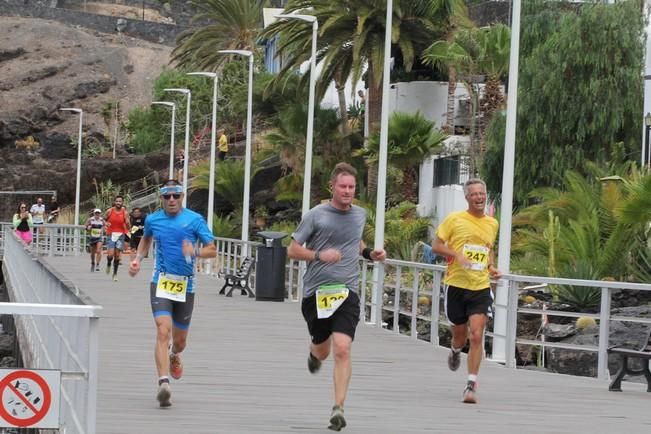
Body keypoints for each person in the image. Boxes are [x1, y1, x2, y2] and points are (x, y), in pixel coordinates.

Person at [287, 162, 386, 431]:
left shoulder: (360, 215)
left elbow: (354, 240)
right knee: (323, 349)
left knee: (342, 348)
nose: (347, 191)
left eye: (351, 187)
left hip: (347, 291)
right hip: (316, 293)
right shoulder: (316, 215)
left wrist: (369, 255)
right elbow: (293, 250)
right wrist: (320, 255)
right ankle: (313, 353)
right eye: (342, 186)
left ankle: (338, 408)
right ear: (333, 187)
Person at [128, 179, 216, 408]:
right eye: (167, 196)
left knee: (179, 341)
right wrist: (138, 260)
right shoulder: (153, 219)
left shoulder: (194, 220)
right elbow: (146, 239)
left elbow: (212, 249)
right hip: (162, 282)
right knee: (162, 329)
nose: (171, 200)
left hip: (186, 286)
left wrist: (194, 251)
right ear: (161, 199)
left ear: (182, 197)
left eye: (176, 195)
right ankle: (163, 384)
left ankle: (175, 354)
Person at [431, 178, 502, 404]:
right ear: (467, 197)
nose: (479, 198)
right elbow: (436, 245)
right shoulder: (455, 219)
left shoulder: (492, 223)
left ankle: (471, 384)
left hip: (480, 287)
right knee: (460, 337)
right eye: (474, 194)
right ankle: (454, 350)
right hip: (456, 285)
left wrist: (491, 267)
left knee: (477, 334)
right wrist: (456, 255)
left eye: (482, 193)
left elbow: (488, 249)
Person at [104, 196, 130, 282]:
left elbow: (128, 224)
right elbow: (104, 220)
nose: (118, 203)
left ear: (122, 202)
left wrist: (128, 224)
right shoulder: (110, 211)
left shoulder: (125, 212)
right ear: (114, 202)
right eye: (117, 201)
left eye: (120, 201)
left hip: (120, 235)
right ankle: (108, 264)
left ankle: (115, 274)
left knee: (117, 256)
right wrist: (106, 223)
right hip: (111, 234)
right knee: (110, 254)